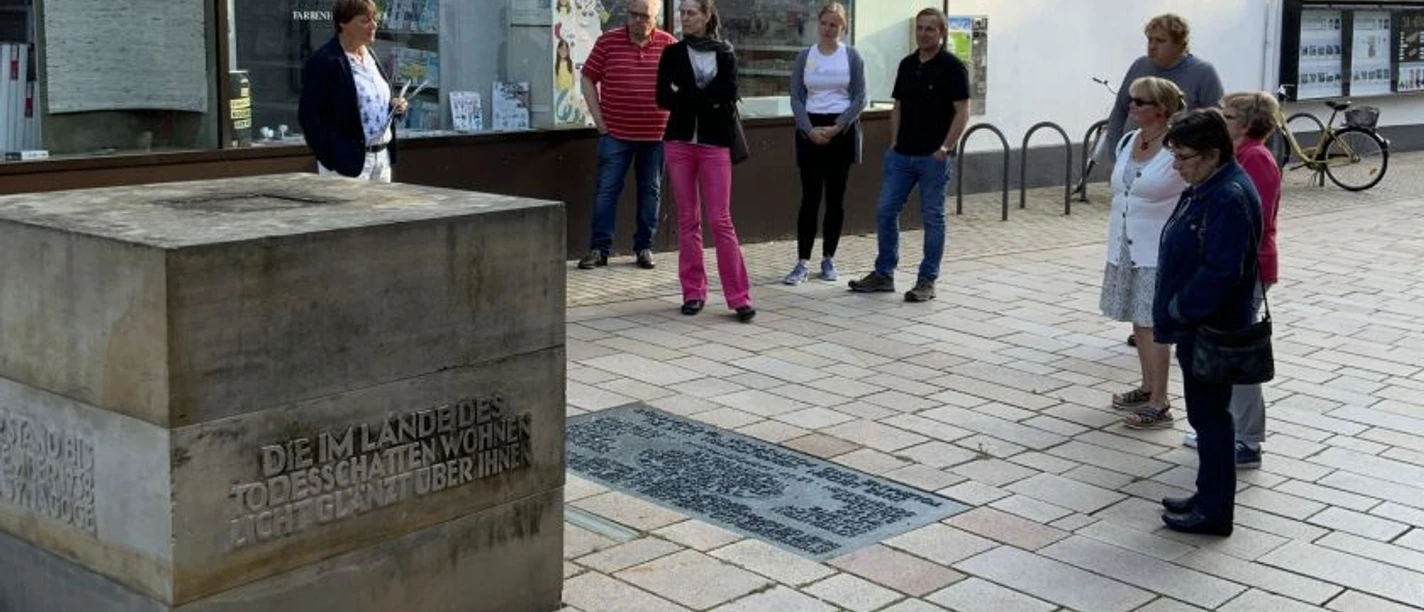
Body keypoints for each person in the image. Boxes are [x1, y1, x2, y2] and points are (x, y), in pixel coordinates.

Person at [1155, 108, 1263, 536]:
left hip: (1212, 328)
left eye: (1184, 157)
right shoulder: (1208, 185)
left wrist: (1182, 308)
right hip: (1198, 327)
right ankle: (1206, 494)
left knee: (1212, 419)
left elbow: (1222, 271)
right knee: (1206, 417)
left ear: (1213, 154)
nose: (1177, 166)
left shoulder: (1228, 195)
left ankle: (1216, 510)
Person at [1182, 92, 1282, 468]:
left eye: (1227, 116)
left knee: (1237, 354)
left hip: (1248, 267)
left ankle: (1248, 439)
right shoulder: (1236, 155)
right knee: (1222, 351)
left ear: (1247, 123)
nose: (1220, 121)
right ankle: (1226, 429)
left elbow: (1249, 219)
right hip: (1233, 266)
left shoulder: (1256, 159)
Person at [847, 7, 970, 302]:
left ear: (941, 33)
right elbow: (898, 106)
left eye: (930, 29)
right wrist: (894, 143)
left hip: (933, 158)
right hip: (901, 156)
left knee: (932, 218)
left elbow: (963, 111)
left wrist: (945, 148)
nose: (924, 34)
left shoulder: (953, 67)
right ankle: (884, 274)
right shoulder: (907, 64)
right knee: (885, 210)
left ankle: (927, 281)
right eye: (920, 28)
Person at [657, 0, 756, 322]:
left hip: (715, 143)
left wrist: (685, 94)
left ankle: (739, 297)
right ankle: (693, 292)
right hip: (679, 142)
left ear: (706, 16)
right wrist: (702, 100)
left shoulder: (724, 52)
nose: (684, 18)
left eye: (690, 13)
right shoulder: (672, 53)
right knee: (688, 219)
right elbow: (662, 96)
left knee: (720, 219)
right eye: (681, 13)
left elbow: (728, 93)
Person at [1100, 77, 1188, 430]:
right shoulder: (1128, 140)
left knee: (1154, 324)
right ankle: (1147, 385)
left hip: (1157, 249)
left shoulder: (1176, 150)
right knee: (1139, 322)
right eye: (1131, 100)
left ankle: (1160, 401)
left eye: (1139, 101)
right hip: (1124, 245)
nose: (1130, 105)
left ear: (1161, 109)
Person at [577, 0, 677, 270]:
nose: (637, 21)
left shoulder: (669, 44)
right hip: (615, 134)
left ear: (655, 17)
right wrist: (599, 121)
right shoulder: (608, 42)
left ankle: (644, 247)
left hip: (656, 137)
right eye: (633, 14)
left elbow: (683, 84)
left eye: (644, 16)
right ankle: (599, 249)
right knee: (606, 192)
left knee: (651, 192)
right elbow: (587, 77)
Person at [783, 2, 866, 285]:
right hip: (810, 129)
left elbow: (859, 97)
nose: (829, 29)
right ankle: (802, 261)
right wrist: (809, 130)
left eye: (835, 25)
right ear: (817, 25)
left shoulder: (852, 56)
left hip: (840, 131)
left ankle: (829, 258)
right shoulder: (805, 56)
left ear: (843, 27)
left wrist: (837, 127)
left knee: (835, 198)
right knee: (809, 198)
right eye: (825, 23)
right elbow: (795, 96)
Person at [299, 0, 409, 182]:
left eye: (375, 19)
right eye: (365, 21)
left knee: (382, 210)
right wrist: (331, 158)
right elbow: (309, 116)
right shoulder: (326, 61)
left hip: (381, 158)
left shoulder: (371, 56)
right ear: (343, 23)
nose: (373, 25)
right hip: (347, 163)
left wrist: (395, 106)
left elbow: (369, 102)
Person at [1103, 14, 1224, 164]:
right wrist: (1116, 157)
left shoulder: (1203, 73)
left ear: (1180, 44)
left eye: (1160, 41)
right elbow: (1119, 111)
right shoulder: (1140, 66)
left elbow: (1217, 124)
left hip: (1175, 164)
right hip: (1132, 157)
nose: (1152, 46)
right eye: (1150, 39)